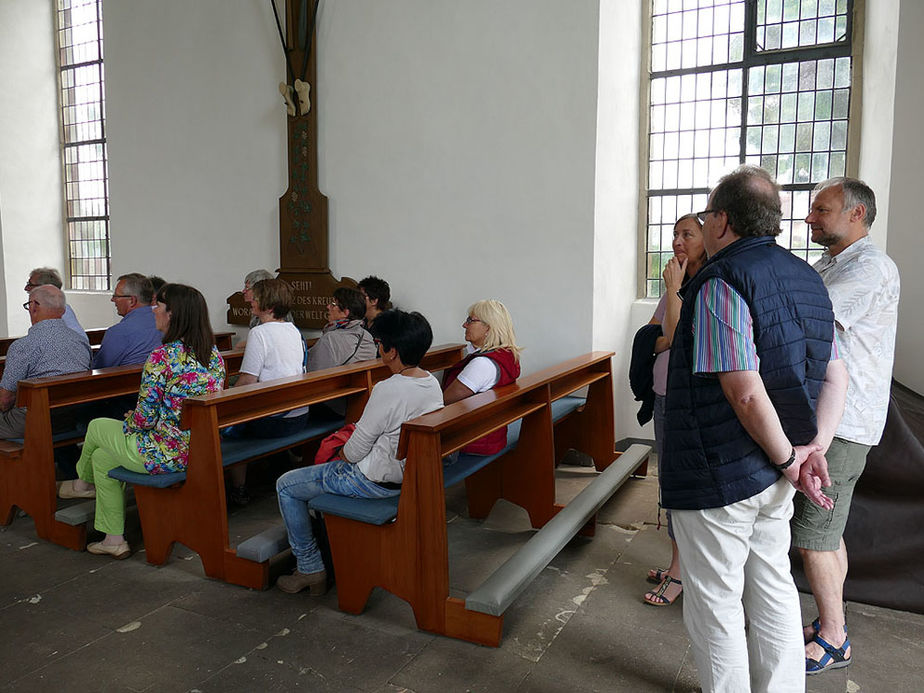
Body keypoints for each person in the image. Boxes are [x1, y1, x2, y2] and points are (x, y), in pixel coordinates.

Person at [660, 165, 848, 693]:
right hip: (775, 472)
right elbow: (836, 374)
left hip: (722, 468)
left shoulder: (722, 280)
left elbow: (742, 388)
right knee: (771, 586)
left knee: (716, 599)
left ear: (721, 220)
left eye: (705, 215)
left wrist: (792, 458)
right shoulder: (809, 277)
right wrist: (812, 449)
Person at [793, 177, 900, 675]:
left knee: (814, 534)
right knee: (829, 533)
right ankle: (828, 621)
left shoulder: (871, 268)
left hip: (841, 424)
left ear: (856, 214)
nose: (810, 217)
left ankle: (835, 639)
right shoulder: (832, 265)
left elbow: (807, 320)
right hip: (831, 420)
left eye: (822, 209)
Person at [275, 310, 443, 594]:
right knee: (316, 477)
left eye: (381, 343)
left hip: (372, 482)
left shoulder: (388, 389)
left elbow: (353, 453)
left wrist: (340, 454)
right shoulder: (431, 383)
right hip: (408, 476)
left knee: (287, 485)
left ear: (391, 351)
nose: (378, 347)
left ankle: (309, 568)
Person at [56, 284, 225, 559]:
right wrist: (138, 419)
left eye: (158, 306)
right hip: (199, 448)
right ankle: (113, 539)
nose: (153, 311)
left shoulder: (163, 357)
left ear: (173, 314)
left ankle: (82, 484)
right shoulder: (212, 356)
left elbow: (145, 419)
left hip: (164, 453)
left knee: (97, 425)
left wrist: (132, 419)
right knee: (101, 458)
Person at [639, 214, 707, 607]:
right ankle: (677, 563)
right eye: (675, 234)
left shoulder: (698, 284)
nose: (678, 241)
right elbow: (651, 338)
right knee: (667, 483)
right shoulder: (674, 285)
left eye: (688, 234)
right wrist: (664, 335)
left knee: (680, 487)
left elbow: (679, 339)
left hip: (687, 399)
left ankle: (681, 573)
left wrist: (674, 291)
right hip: (664, 394)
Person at [225, 278, 307, 505]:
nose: (251, 300)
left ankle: (239, 489)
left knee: (228, 421)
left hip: (276, 420)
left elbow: (248, 380)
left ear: (269, 306)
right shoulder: (294, 331)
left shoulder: (259, 333)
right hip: (298, 415)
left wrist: (222, 397)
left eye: (256, 298)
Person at [0, 285, 92, 439]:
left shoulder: (23, 346)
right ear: (63, 311)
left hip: (33, 420)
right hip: (70, 417)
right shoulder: (80, 341)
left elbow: (5, 400)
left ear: (34, 307)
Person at [441, 299, 522, 454]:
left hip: (471, 440)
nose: (464, 325)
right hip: (490, 434)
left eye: (470, 320)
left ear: (488, 328)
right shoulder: (506, 354)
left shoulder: (482, 364)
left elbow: (445, 400)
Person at [93, 273, 163, 368]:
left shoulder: (118, 332)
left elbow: (99, 369)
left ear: (132, 301)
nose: (112, 300)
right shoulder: (166, 323)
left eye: (117, 296)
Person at [25, 267, 89, 345]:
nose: (26, 288)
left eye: (30, 284)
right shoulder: (52, 308)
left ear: (44, 288)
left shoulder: (59, 310)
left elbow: (79, 342)